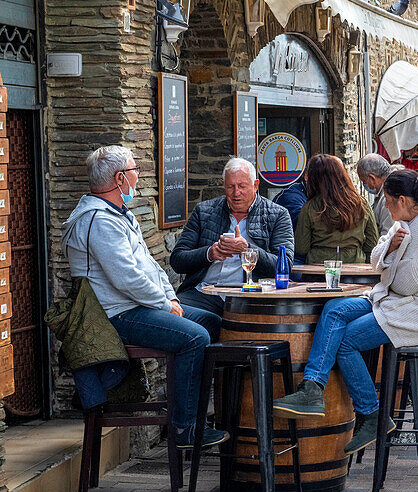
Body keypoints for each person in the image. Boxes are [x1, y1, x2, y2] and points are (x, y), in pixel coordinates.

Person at [271, 170, 418, 454]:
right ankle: (312, 389)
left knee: (347, 340)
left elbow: (405, 282)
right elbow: (377, 259)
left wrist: (389, 262)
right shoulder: (407, 220)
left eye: (388, 201)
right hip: (397, 298)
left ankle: (371, 413)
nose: (385, 207)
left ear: (401, 199)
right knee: (335, 308)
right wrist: (391, 250)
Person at [63, 146, 226, 448]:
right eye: (136, 169)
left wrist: (171, 300)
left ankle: (206, 415)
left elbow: (150, 266)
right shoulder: (99, 220)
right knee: (195, 338)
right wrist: (166, 305)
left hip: (136, 306)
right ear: (120, 178)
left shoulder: (118, 214)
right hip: (115, 315)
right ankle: (184, 429)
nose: (139, 176)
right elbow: (128, 279)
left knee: (213, 322)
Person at [170, 158, 294, 315]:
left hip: (252, 295)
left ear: (255, 185)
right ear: (223, 185)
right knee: (173, 315)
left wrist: (248, 250)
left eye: (242, 186)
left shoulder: (277, 215)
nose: (236, 193)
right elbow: (177, 260)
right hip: (205, 292)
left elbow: (285, 266)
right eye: (230, 187)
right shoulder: (204, 211)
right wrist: (209, 253)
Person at [295, 154, 379, 264]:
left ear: (313, 179)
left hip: (319, 268)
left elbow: (301, 247)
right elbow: (372, 244)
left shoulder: (310, 207)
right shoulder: (361, 203)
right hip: (355, 266)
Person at [356, 153, 395, 234]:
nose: (364, 185)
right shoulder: (382, 193)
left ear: (372, 178)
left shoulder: (387, 198)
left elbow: (387, 234)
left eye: (364, 181)